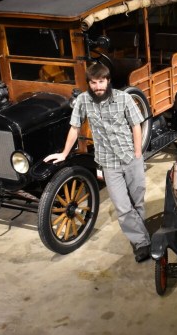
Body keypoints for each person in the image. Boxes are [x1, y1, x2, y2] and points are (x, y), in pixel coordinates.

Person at [45, 62, 151, 262]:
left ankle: (139, 234)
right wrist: (64, 154)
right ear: (89, 84)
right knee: (122, 206)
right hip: (109, 163)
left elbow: (136, 124)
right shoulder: (84, 101)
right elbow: (75, 128)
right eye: (93, 83)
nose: (97, 87)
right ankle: (141, 242)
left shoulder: (123, 98)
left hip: (130, 157)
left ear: (108, 81)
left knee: (137, 200)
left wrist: (138, 152)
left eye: (101, 82)